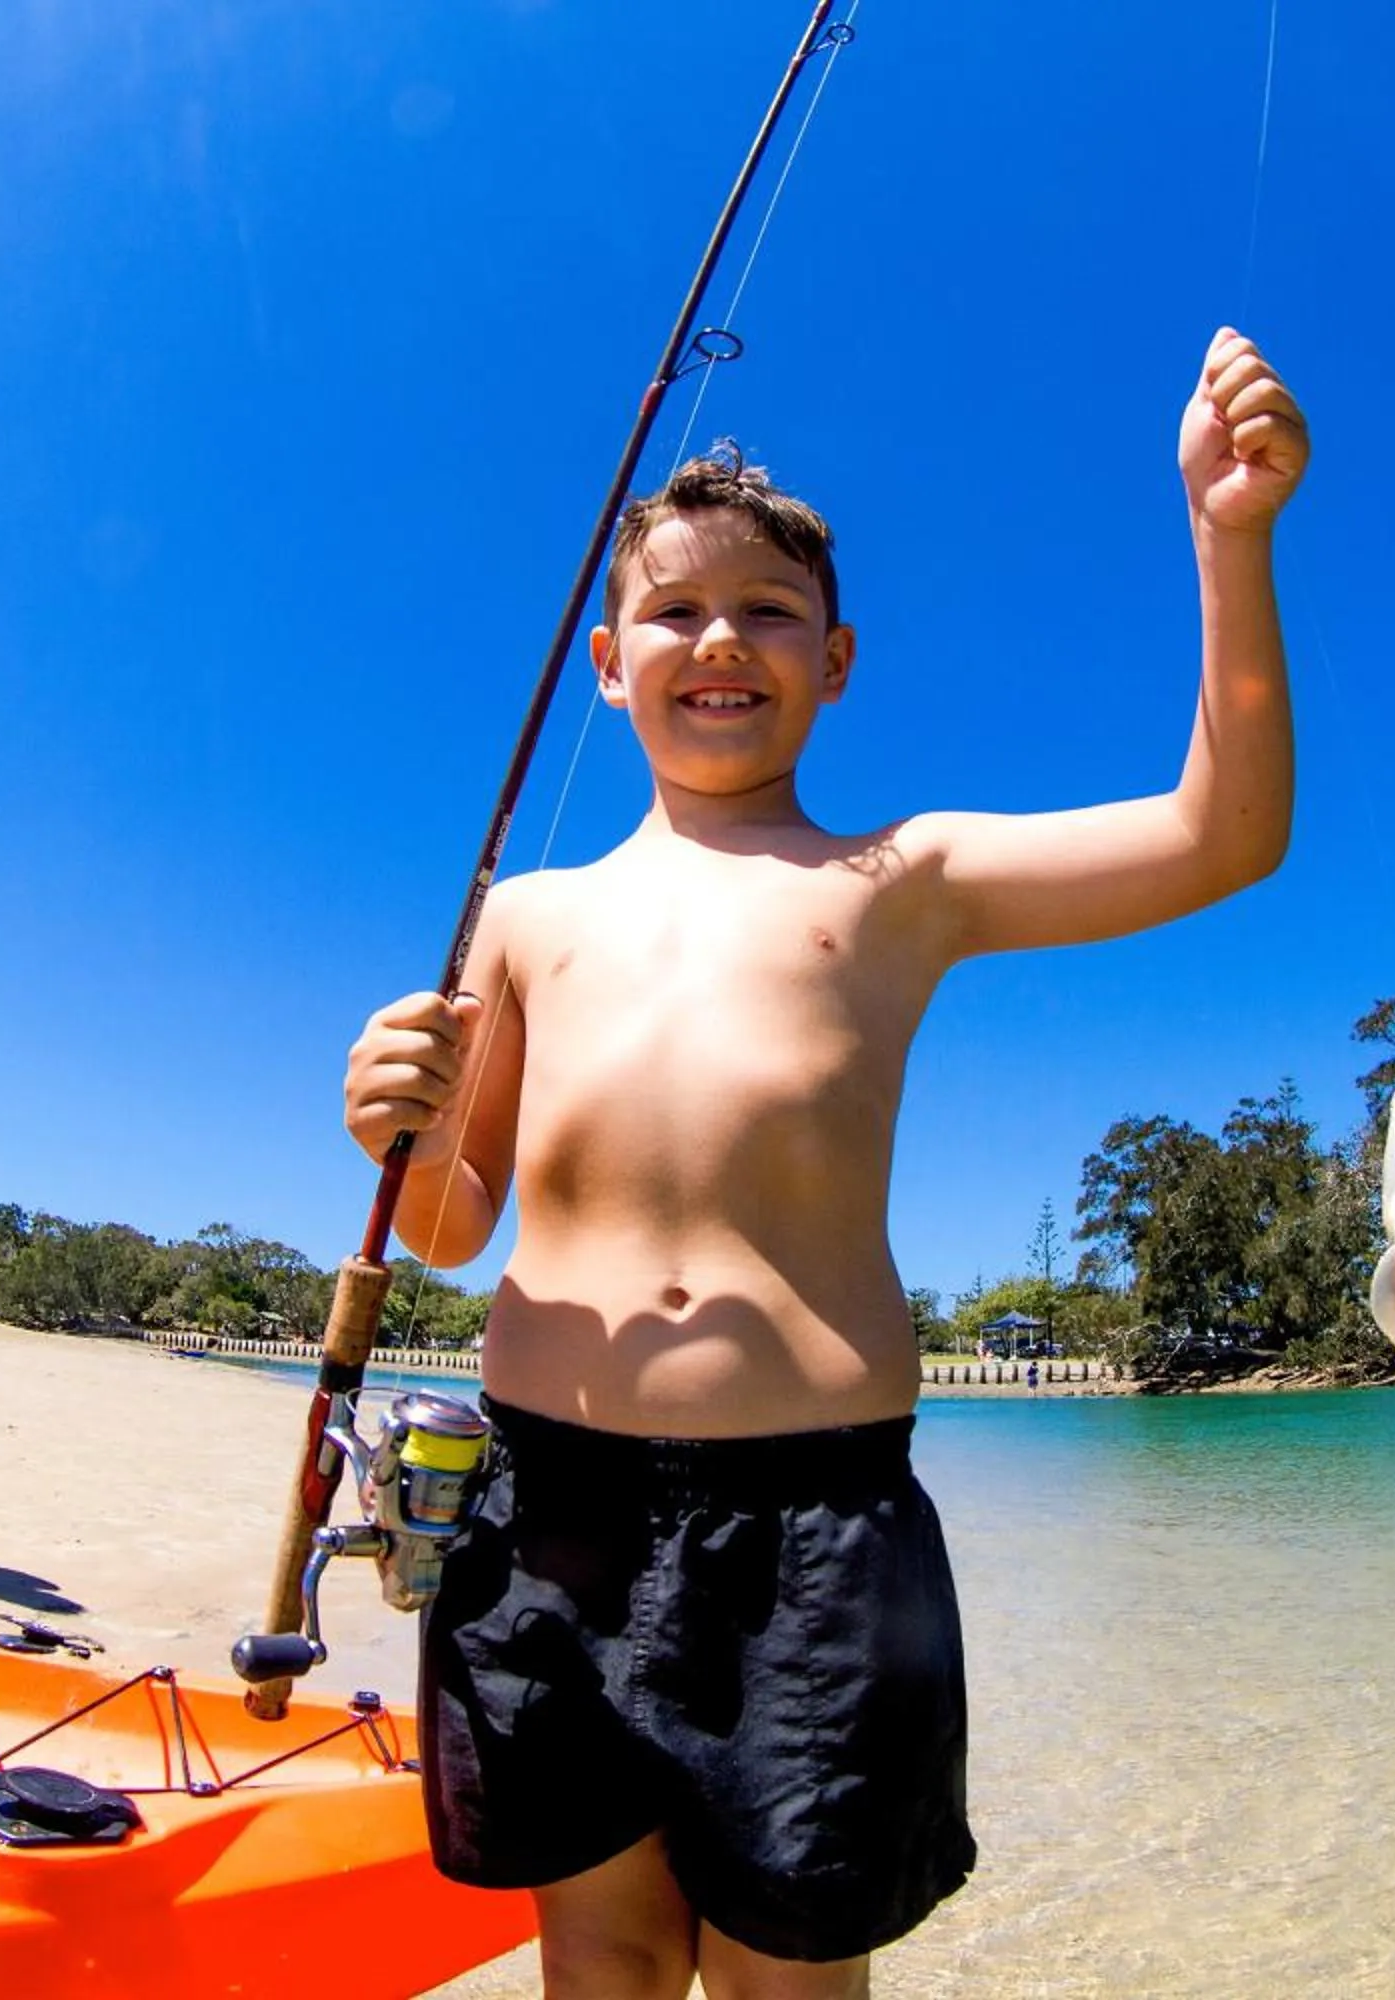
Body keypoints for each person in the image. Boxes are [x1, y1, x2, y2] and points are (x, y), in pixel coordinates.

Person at [342, 327, 1307, 1999]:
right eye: (677, 611)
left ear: (839, 658)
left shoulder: (897, 878)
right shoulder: (525, 918)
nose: (721, 640)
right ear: (605, 658)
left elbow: (1224, 831)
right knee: (604, 1959)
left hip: (811, 1527)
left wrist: (1231, 541)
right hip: (541, 1514)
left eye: (769, 611)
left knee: (791, 1975)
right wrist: (395, 1126)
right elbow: (451, 1224)